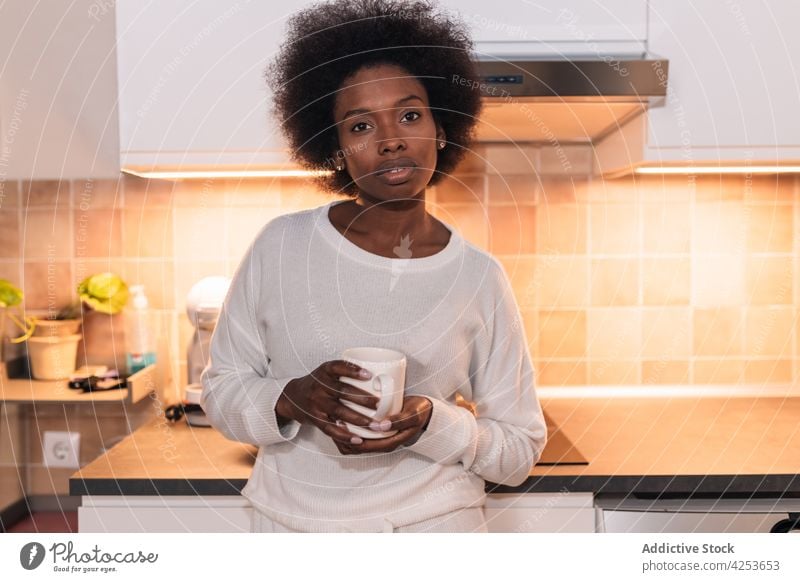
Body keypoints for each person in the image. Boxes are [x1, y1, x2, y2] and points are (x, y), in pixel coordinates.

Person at [200, 0, 547, 533]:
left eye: (410, 115)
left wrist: (431, 421)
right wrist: (289, 398)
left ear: (442, 128)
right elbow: (221, 391)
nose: (390, 139)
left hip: (434, 532)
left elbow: (519, 449)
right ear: (336, 147)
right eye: (360, 125)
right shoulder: (280, 246)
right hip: (290, 531)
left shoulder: (478, 276)